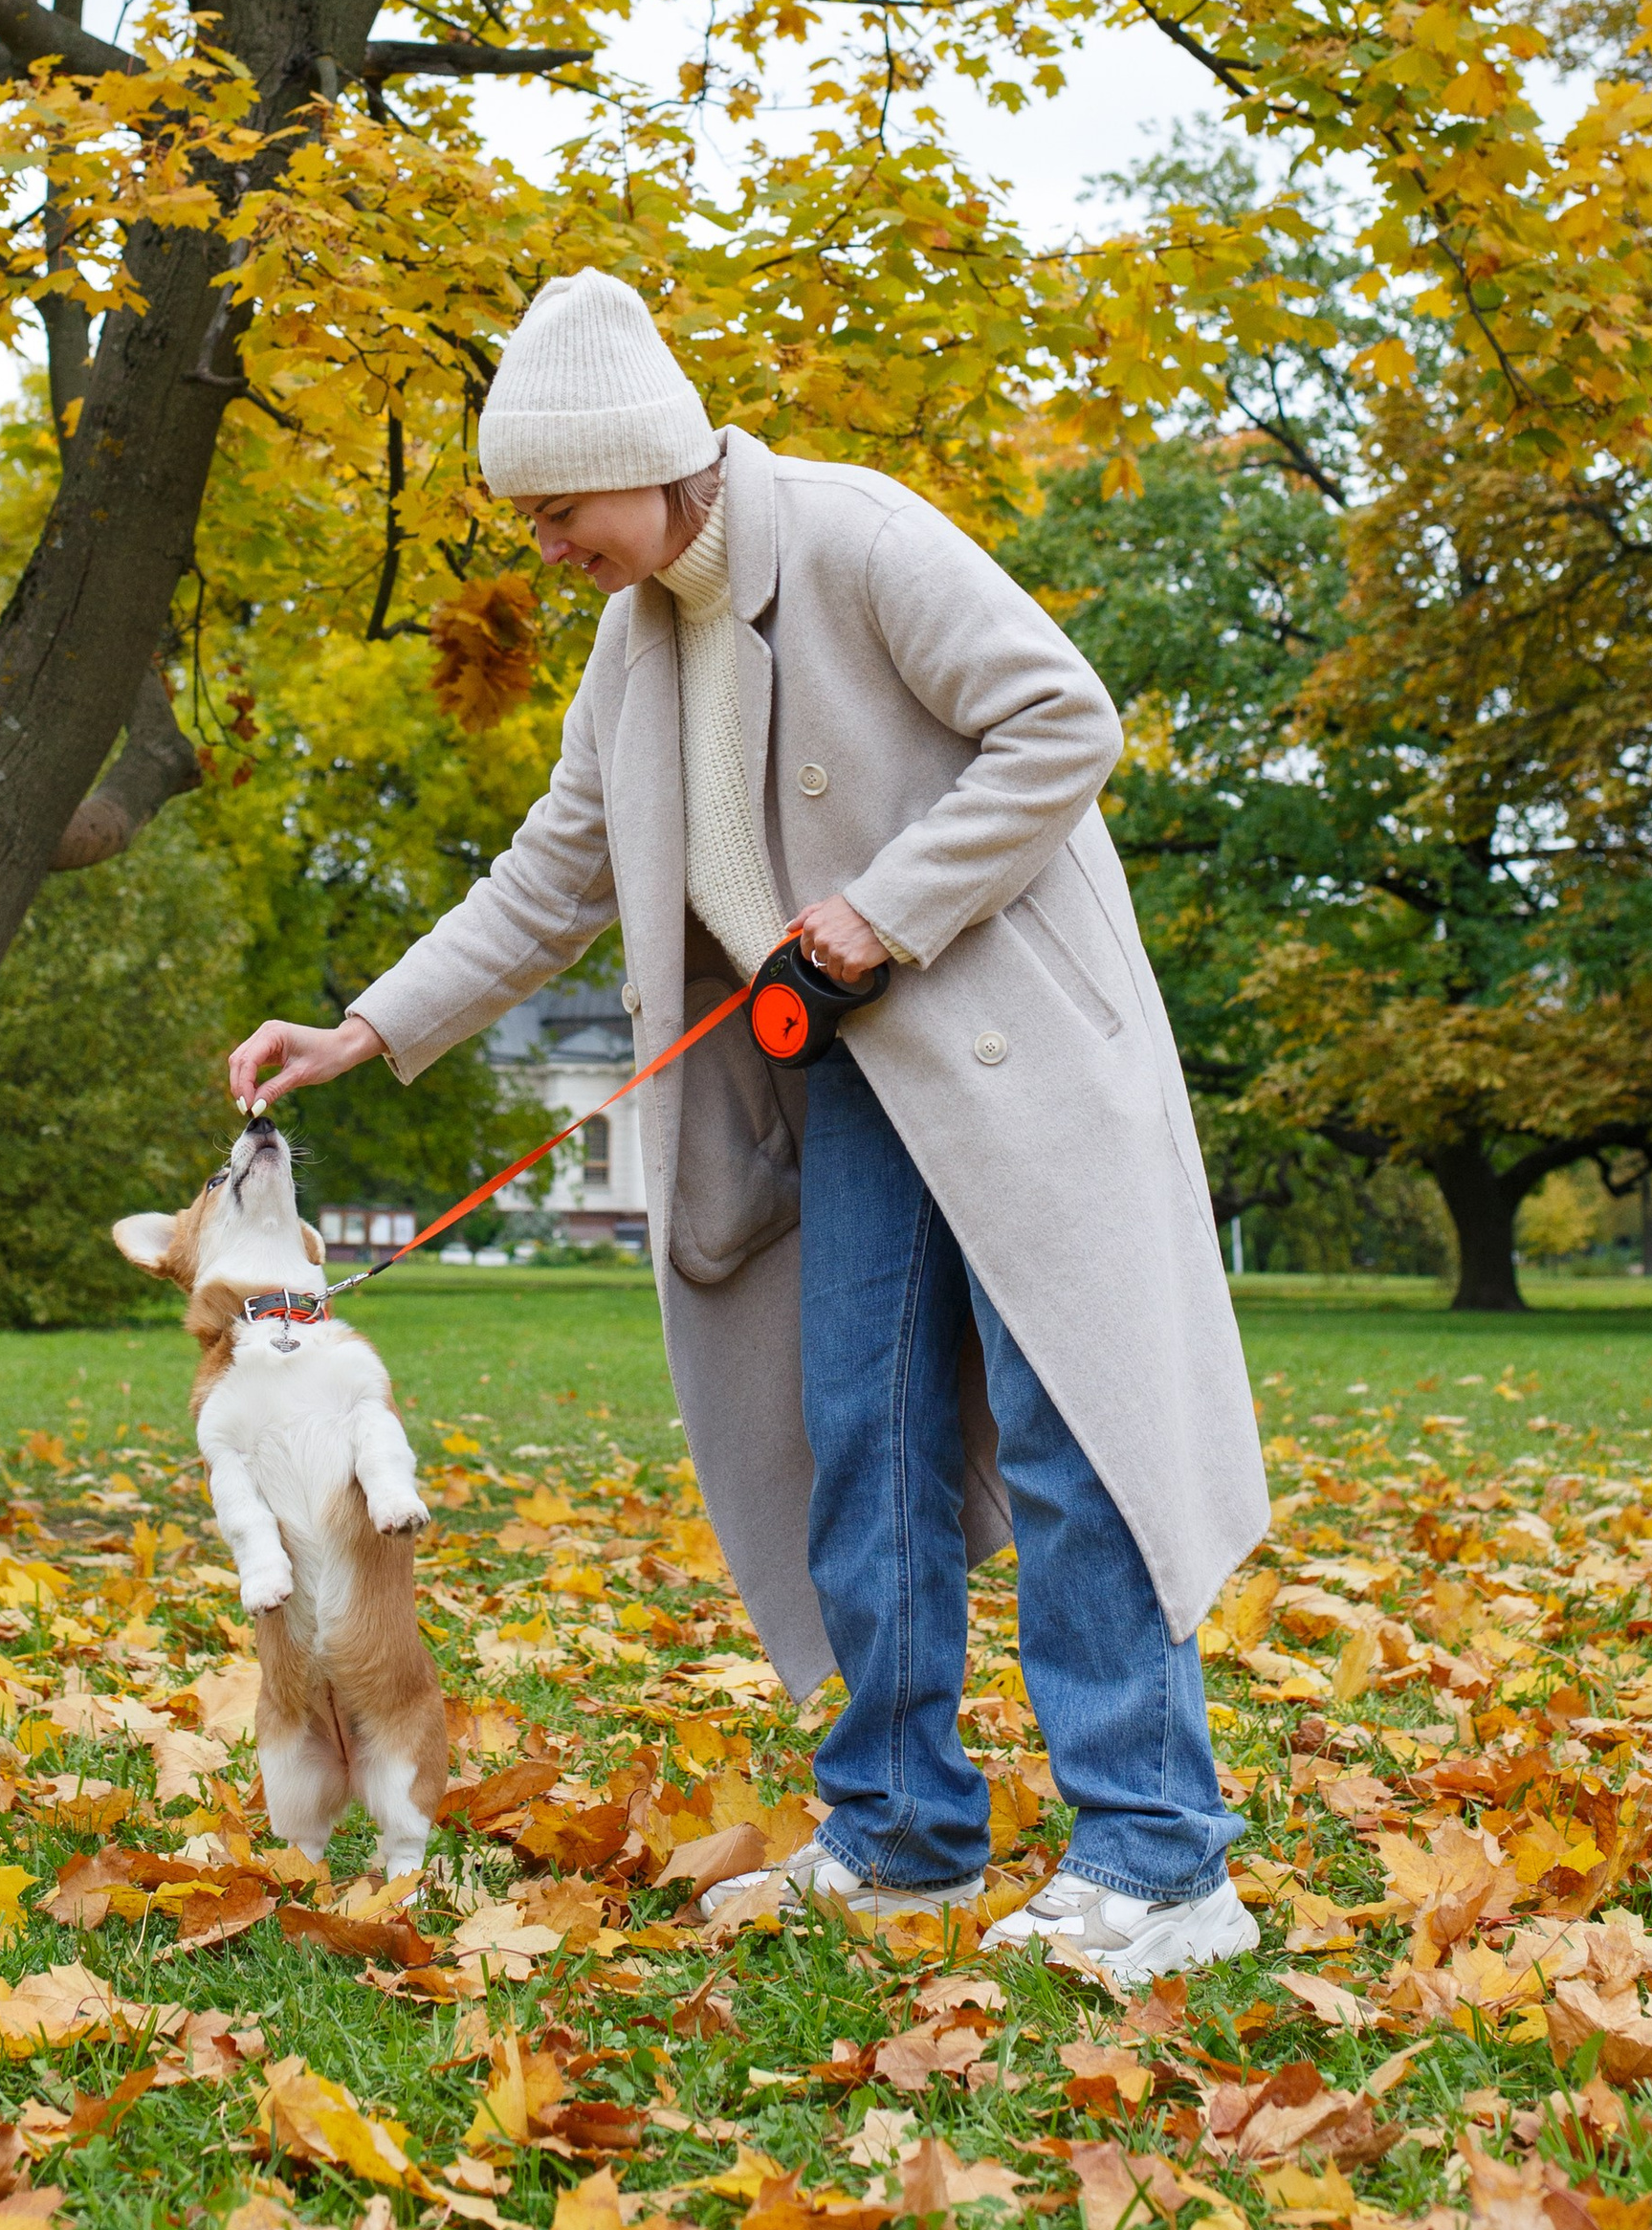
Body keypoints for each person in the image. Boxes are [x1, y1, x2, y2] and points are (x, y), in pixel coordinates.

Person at [229, 274, 1266, 1988]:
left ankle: (1160, 1861)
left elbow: (1065, 721)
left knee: (1070, 1437)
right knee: (855, 1438)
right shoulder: (632, 653)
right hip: (841, 1084)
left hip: (1016, 1069)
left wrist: (884, 908)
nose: (547, 542)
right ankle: (904, 1837)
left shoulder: (857, 538)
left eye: (561, 507)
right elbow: (546, 880)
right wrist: (363, 1027)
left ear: (642, 458)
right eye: (533, 517)